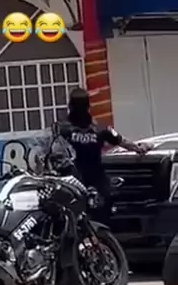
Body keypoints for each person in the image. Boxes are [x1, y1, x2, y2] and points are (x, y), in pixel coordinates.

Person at [50, 87, 149, 224]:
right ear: (88, 107)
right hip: (88, 180)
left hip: (78, 181)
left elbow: (52, 153)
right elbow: (121, 141)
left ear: (70, 106)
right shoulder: (98, 128)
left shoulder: (63, 129)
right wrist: (140, 148)